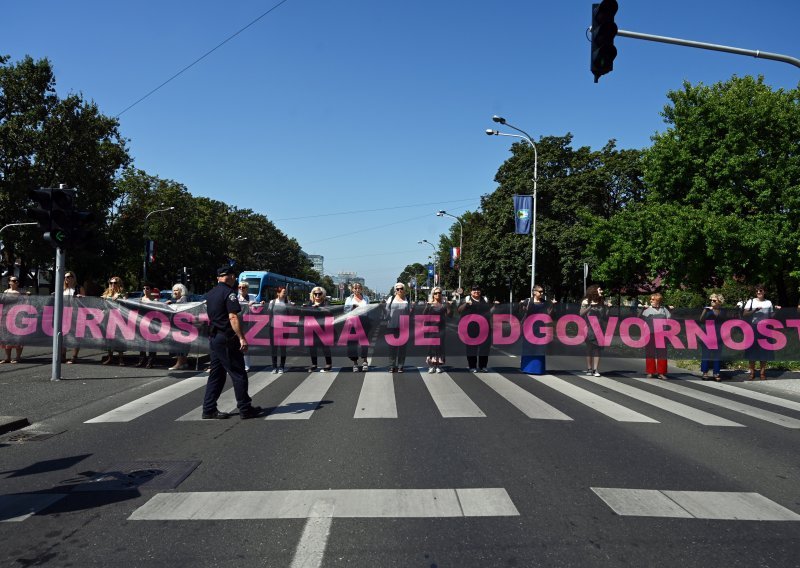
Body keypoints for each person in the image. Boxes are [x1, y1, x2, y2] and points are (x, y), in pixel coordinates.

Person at [201, 266, 262, 419]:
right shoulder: (229, 294)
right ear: (231, 277)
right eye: (233, 276)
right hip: (227, 338)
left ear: (218, 278)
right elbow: (233, 317)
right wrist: (241, 337)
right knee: (239, 373)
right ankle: (245, 409)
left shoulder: (211, 294)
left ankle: (208, 409)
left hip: (214, 338)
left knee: (217, 374)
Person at [742, 285, 780, 381]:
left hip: (765, 328)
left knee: (764, 350)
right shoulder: (751, 301)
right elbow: (744, 314)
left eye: (760, 290)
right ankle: (752, 372)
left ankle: (762, 373)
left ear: (764, 292)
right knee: (752, 350)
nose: (758, 292)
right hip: (754, 327)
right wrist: (755, 310)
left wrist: (777, 310)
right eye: (757, 291)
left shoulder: (768, 302)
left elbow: (771, 316)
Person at [457, 284, 496, 372]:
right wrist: (466, 305)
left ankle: (483, 366)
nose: (476, 291)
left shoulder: (484, 299)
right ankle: (472, 366)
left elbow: (489, 312)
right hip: (471, 328)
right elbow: (459, 310)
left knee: (485, 347)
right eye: (474, 290)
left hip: (484, 328)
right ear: (471, 291)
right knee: (471, 347)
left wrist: (495, 307)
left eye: (478, 290)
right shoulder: (466, 299)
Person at [580, 285, 610, 377]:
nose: (602, 291)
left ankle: (595, 369)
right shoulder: (586, 301)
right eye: (600, 289)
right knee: (589, 348)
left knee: (597, 349)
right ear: (594, 291)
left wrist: (608, 308)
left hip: (599, 328)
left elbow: (605, 317)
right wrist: (590, 306)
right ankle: (589, 368)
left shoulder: (602, 302)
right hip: (589, 327)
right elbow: (581, 313)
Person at [422, 286, 452, 373]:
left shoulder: (444, 304)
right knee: (431, 347)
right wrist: (428, 305)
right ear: (433, 295)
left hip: (441, 328)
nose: (438, 294)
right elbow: (424, 315)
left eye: (439, 293)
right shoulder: (430, 304)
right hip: (431, 328)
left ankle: (438, 365)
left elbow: (450, 315)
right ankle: (431, 365)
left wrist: (449, 306)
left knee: (440, 347)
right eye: (436, 293)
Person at [641, 292, 671, 380]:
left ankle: (661, 372)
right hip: (650, 334)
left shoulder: (664, 310)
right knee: (650, 353)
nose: (651, 301)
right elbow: (641, 320)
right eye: (651, 299)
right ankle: (650, 372)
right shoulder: (647, 310)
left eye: (653, 299)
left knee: (662, 353)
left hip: (661, 334)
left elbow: (669, 320)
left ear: (658, 300)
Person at [384, 282, 413, 372]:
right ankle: (392, 365)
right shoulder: (391, 299)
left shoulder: (407, 299)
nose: (399, 290)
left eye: (401, 289)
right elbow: (386, 311)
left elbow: (409, 312)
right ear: (395, 290)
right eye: (397, 289)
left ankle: (400, 365)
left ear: (404, 290)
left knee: (402, 347)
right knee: (392, 347)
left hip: (404, 326)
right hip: (392, 325)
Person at [344, 282, 371, 372]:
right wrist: (352, 307)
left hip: (364, 321)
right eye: (355, 288)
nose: (357, 290)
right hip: (353, 322)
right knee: (352, 343)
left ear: (361, 289)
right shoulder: (349, 299)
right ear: (352, 289)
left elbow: (369, 309)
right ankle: (355, 363)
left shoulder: (366, 298)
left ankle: (365, 361)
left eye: (358, 288)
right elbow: (345, 311)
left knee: (364, 342)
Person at [700, 293, 726, 381]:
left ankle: (716, 372)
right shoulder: (707, 309)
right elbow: (701, 320)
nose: (712, 302)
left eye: (714, 300)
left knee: (717, 355)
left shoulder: (723, 311)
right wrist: (705, 311)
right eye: (711, 300)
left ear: (719, 302)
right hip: (707, 334)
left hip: (718, 335)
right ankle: (705, 372)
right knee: (706, 354)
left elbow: (724, 321)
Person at [305, 286, 333, 372]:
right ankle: (314, 364)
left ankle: (328, 364)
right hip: (311, 328)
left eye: (319, 294)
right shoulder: (309, 303)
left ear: (322, 294)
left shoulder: (326, 303)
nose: (317, 295)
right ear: (312, 294)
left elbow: (330, 311)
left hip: (323, 328)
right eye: (315, 293)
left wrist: (320, 308)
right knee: (312, 347)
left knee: (325, 346)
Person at [101, 276, 127, 365]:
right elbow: (102, 304)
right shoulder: (106, 293)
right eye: (111, 283)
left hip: (119, 318)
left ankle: (121, 359)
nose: (112, 285)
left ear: (119, 284)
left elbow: (126, 302)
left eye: (115, 283)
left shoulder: (122, 293)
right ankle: (110, 357)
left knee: (119, 338)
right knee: (108, 337)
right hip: (108, 317)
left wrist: (120, 296)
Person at [268, 286, 293, 374]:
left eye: (285, 292)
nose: (285, 293)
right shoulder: (272, 302)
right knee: (274, 348)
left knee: (283, 348)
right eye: (283, 292)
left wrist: (292, 306)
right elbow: (267, 311)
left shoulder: (287, 302)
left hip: (284, 328)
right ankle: (274, 367)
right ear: (278, 293)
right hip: (273, 327)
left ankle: (281, 366)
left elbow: (292, 313)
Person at [167, 283, 190, 370]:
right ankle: (183, 362)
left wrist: (171, 304)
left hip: (181, 325)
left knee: (179, 344)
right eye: (174, 290)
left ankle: (179, 363)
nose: (175, 292)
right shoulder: (179, 300)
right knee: (182, 344)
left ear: (182, 291)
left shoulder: (182, 300)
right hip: (181, 325)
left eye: (177, 290)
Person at [1, 276, 24, 363]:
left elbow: (25, 303)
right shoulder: (6, 291)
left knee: (18, 337)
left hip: (17, 316)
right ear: (9, 282)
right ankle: (7, 357)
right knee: (7, 337)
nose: (15, 282)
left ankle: (18, 357)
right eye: (13, 280)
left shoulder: (21, 292)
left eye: (16, 280)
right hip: (7, 316)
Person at [136, 283, 158, 368]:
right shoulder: (140, 299)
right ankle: (141, 361)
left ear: (151, 290)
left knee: (152, 342)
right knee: (141, 342)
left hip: (151, 323)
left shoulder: (154, 300)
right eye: (144, 288)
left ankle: (150, 362)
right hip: (141, 322)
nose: (145, 290)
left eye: (147, 288)